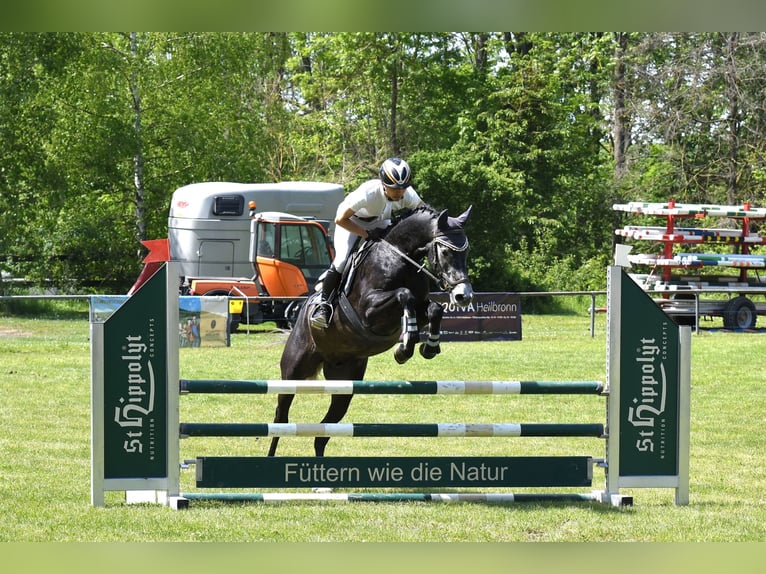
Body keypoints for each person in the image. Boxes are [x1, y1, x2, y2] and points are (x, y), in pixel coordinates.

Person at [310, 157, 423, 329]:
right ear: (384, 184)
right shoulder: (368, 194)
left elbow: (423, 211)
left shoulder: (407, 193)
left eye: (402, 188)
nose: (399, 193)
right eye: (394, 189)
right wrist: (366, 234)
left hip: (379, 221)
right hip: (351, 222)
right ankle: (323, 306)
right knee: (341, 260)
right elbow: (340, 219)